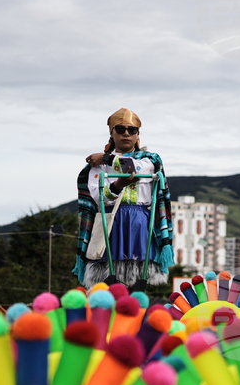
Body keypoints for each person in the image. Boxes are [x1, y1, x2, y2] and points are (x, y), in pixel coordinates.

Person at [74, 108, 173, 289]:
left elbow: (135, 169)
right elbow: (98, 199)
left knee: (139, 284)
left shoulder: (150, 160)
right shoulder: (96, 167)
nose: (126, 133)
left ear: (137, 135)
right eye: (120, 129)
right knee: (108, 284)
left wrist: (106, 158)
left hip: (141, 224)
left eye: (132, 130)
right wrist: (118, 185)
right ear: (112, 133)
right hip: (111, 223)